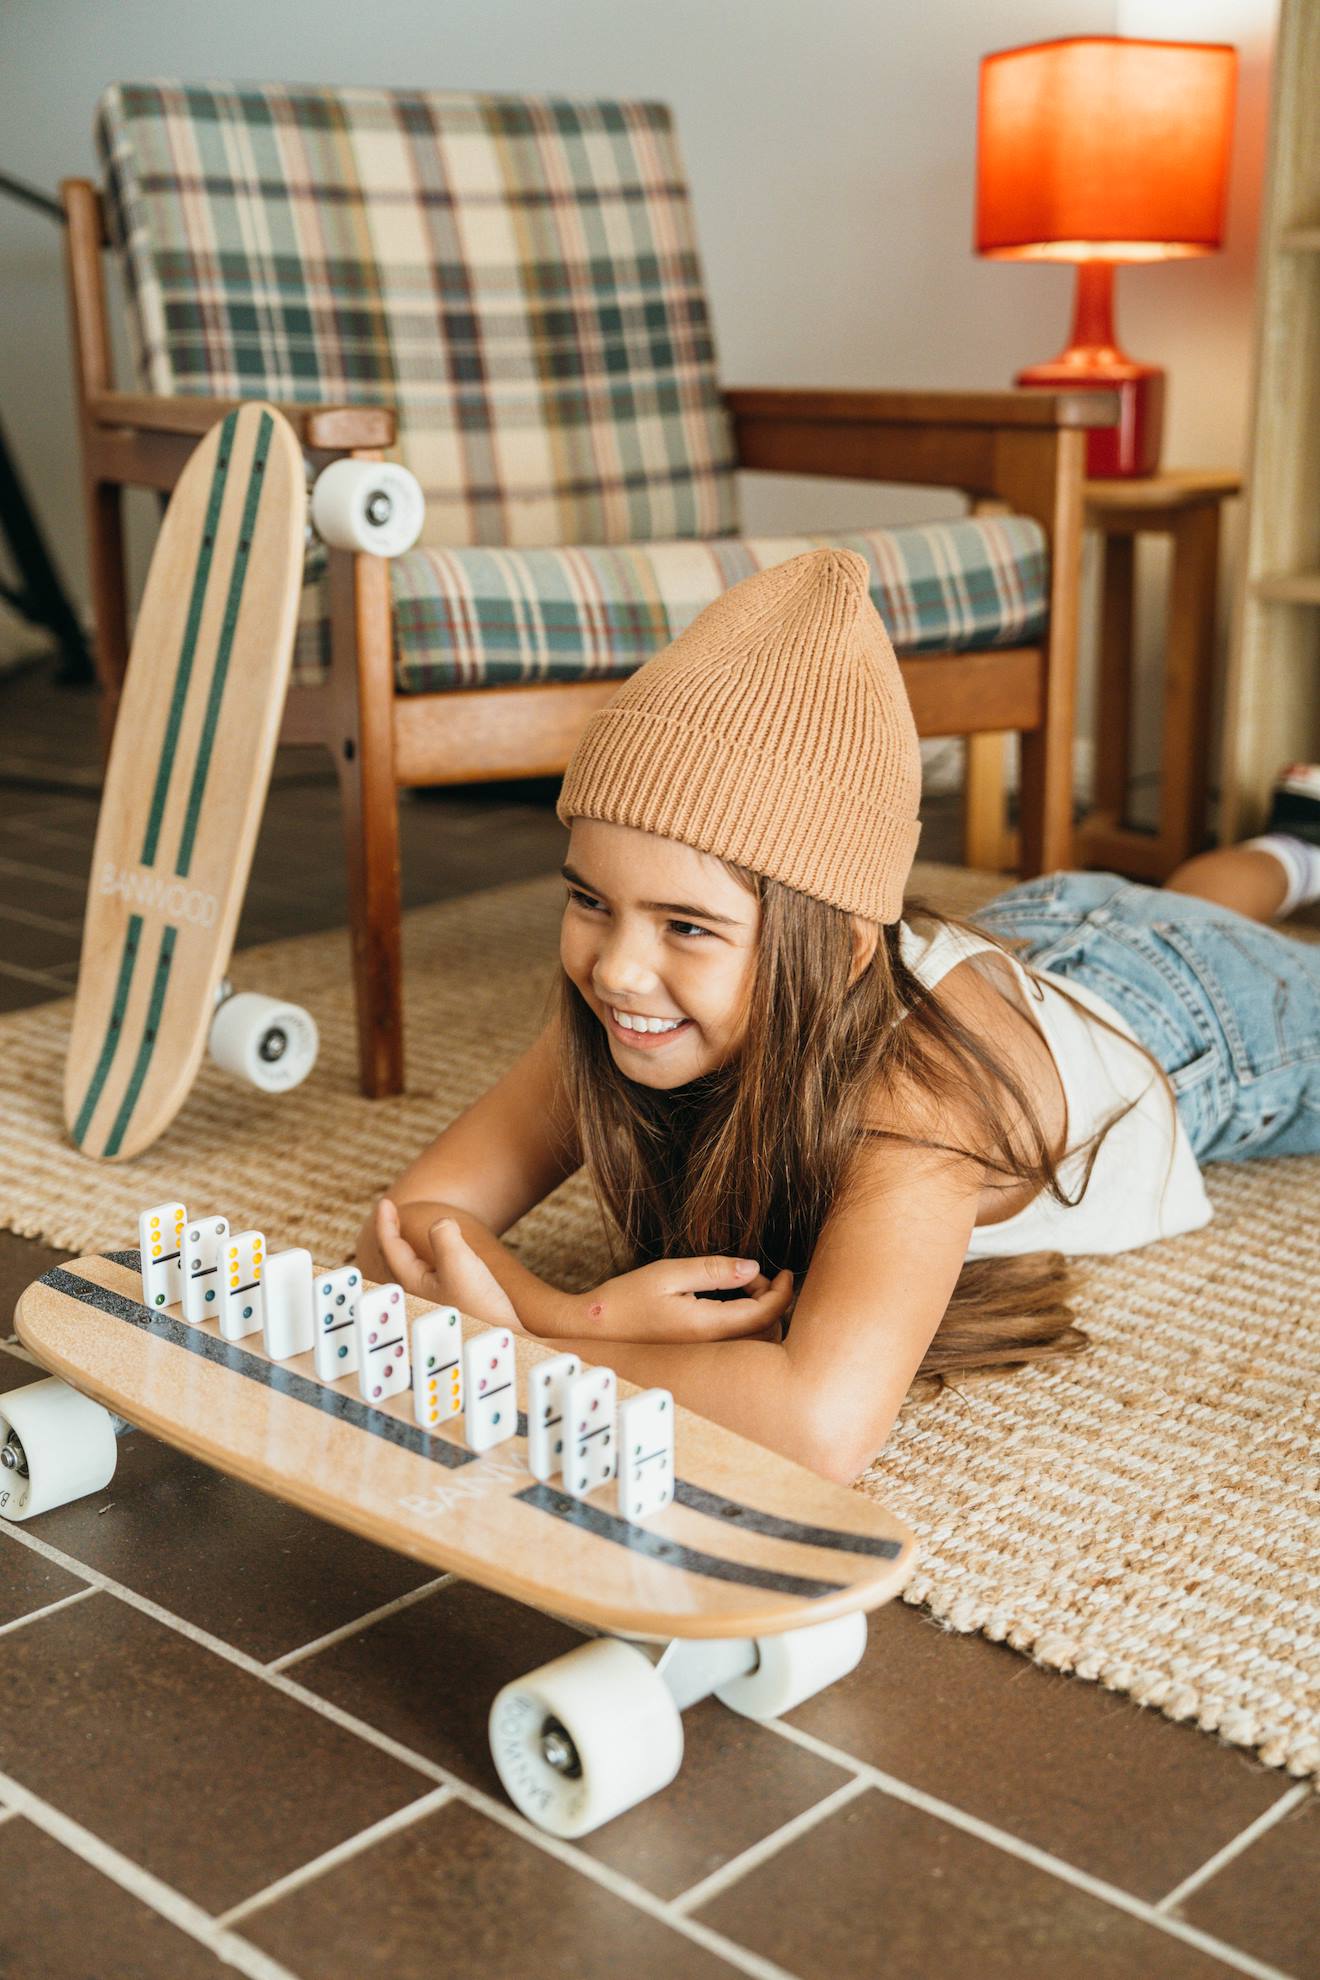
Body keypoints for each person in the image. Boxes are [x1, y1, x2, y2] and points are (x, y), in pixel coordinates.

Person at [355, 551, 1320, 1484]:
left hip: (1196, 1025)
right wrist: (572, 1314)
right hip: (1037, 937)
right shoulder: (634, 1003)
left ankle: (1299, 847)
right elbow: (404, 1225)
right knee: (1183, 897)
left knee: (1198, 921)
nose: (617, 968)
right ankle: (1294, 842)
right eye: (590, 900)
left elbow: (822, 1428)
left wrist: (519, 1346)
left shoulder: (920, 1099)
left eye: (687, 925)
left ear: (839, 946)